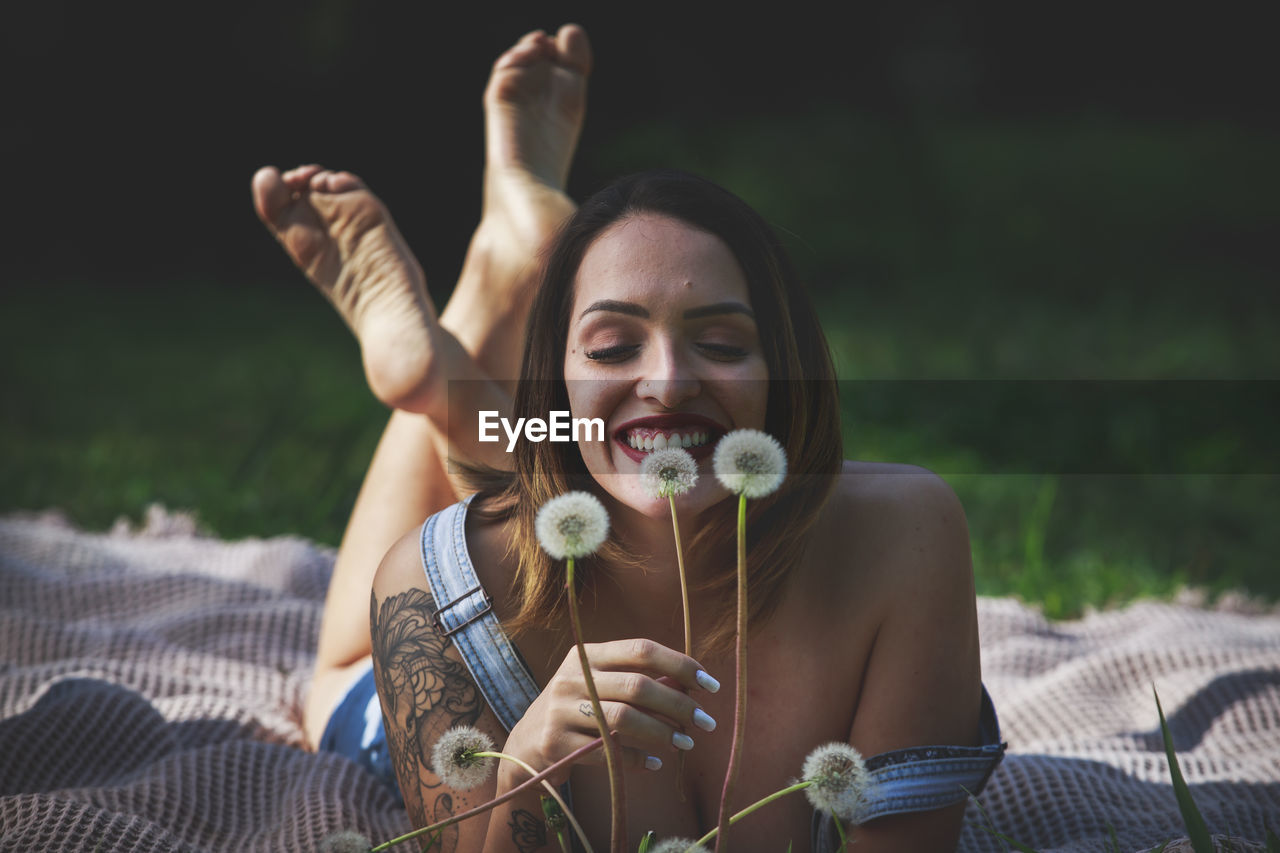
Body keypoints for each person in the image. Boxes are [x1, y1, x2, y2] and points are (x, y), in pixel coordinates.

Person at [253, 24, 1002, 853]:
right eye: (612, 346)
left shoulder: (904, 532)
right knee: (333, 684)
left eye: (721, 344)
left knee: (617, 446)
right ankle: (455, 350)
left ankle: (451, 367)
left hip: (574, 462)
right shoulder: (436, 585)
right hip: (489, 617)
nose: (672, 377)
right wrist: (527, 764)